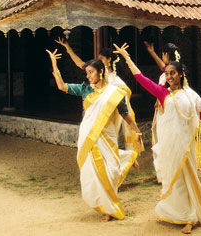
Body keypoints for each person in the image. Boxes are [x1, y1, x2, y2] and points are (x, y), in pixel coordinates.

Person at [113, 44, 201, 234]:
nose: (169, 77)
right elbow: (141, 79)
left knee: (187, 180)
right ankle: (178, 213)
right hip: (170, 146)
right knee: (174, 181)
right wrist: (127, 58)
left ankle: (190, 217)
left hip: (186, 146)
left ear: (181, 74)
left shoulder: (192, 96)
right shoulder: (163, 93)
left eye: (172, 73)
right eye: (167, 74)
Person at [46, 49, 142, 222]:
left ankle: (110, 201)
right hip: (90, 136)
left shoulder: (114, 92)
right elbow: (62, 86)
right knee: (93, 172)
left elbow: (125, 114)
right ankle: (107, 208)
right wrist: (54, 63)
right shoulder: (85, 89)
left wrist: (136, 130)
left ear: (101, 71)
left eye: (91, 72)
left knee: (112, 170)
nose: (88, 76)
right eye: (86, 73)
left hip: (108, 137)